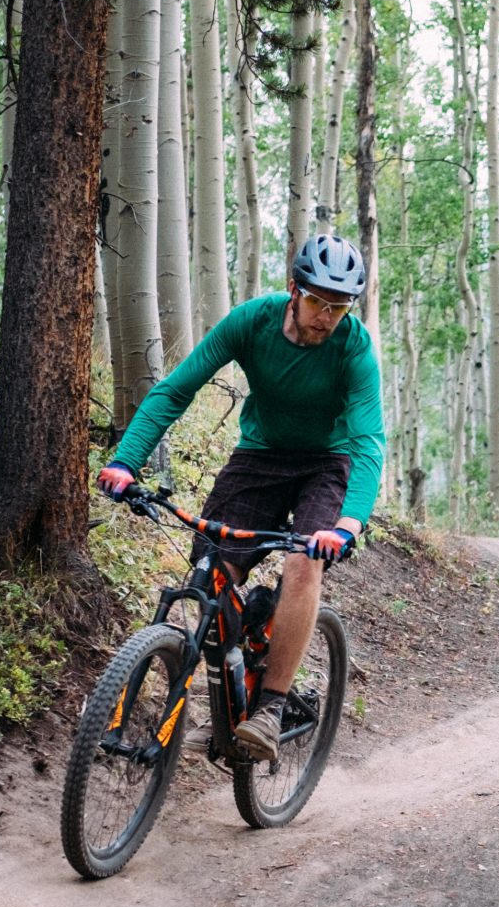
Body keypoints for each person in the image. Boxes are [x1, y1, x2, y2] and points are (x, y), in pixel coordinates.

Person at [97, 234, 384, 762]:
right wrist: (125, 460)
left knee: (303, 563)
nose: (328, 317)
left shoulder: (354, 348)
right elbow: (175, 390)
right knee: (210, 574)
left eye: (340, 308)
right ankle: (232, 700)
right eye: (320, 302)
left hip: (328, 463)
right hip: (259, 457)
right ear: (294, 289)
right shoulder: (251, 322)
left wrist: (347, 524)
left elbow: (368, 444)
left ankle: (271, 708)